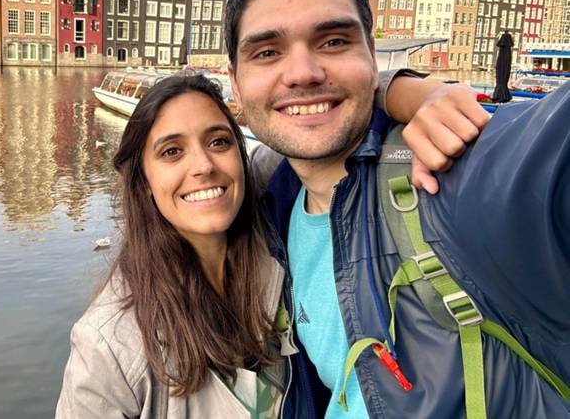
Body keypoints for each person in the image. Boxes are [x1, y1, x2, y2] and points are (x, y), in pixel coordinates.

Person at [225, 0, 570, 418]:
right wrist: (399, 89)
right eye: (267, 52)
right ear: (235, 84)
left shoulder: (454, 178)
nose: (303, 72)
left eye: (334, 42)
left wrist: (409, 90)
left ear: (372, 56)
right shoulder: (271, 196)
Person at [56, 69, 485, 418]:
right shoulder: (108, 346)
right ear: (144, 182)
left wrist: (421, 95)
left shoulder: (261, 194)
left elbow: (328, 113)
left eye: (218, 141)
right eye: (171, 152)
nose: (204, 166)